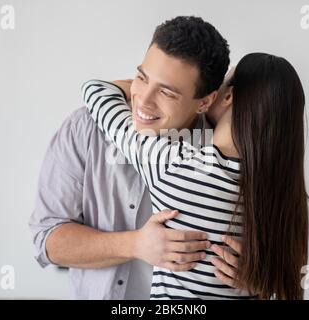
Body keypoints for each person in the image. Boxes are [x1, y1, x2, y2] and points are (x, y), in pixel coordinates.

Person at [29, 16, 242, 299]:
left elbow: (275, 252)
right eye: (142, 77)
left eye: (166, 91)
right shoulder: (84, 127)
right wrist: (135, 245)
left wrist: (254, 277)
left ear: (205, 101)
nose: (142, 100)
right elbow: (47, 241)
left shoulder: (228, 153)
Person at [81, 52, 309, 300]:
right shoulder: (281, 194)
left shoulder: (173, 164)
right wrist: (261, 282)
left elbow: (97, 92)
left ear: (229, 96)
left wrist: (143, 86)